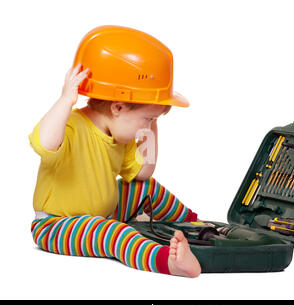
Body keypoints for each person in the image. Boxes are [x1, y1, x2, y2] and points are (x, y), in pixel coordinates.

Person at [29, 26, 202, 278]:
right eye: (147, 119)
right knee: (113, 232)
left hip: (104, 213)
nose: (148, 128)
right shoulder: (71, 127)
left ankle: (198, 225)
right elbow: (45, 142)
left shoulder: (121, 135)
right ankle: (168, 262)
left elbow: (143, 172)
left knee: (147, 189)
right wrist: (66, 99)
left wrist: (152, 124)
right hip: (56, 226)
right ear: (118, 107)